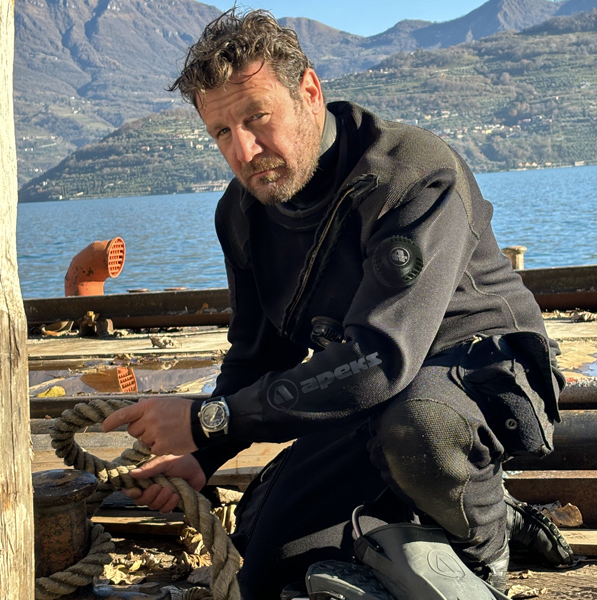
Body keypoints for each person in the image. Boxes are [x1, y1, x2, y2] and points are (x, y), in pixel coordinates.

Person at [102, 8, 573, 599]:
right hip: (364, 395)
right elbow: (257, 357)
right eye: (221, 132)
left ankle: (484, 540)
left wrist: (207, 419)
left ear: (309, 91)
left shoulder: (410, 171)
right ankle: (432, 510)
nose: (244, 150)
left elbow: (380, 358)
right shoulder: (242, 214)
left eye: (256, 117)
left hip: (477, 373)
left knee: (420, 428)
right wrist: (207, 453)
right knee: (267, 563)